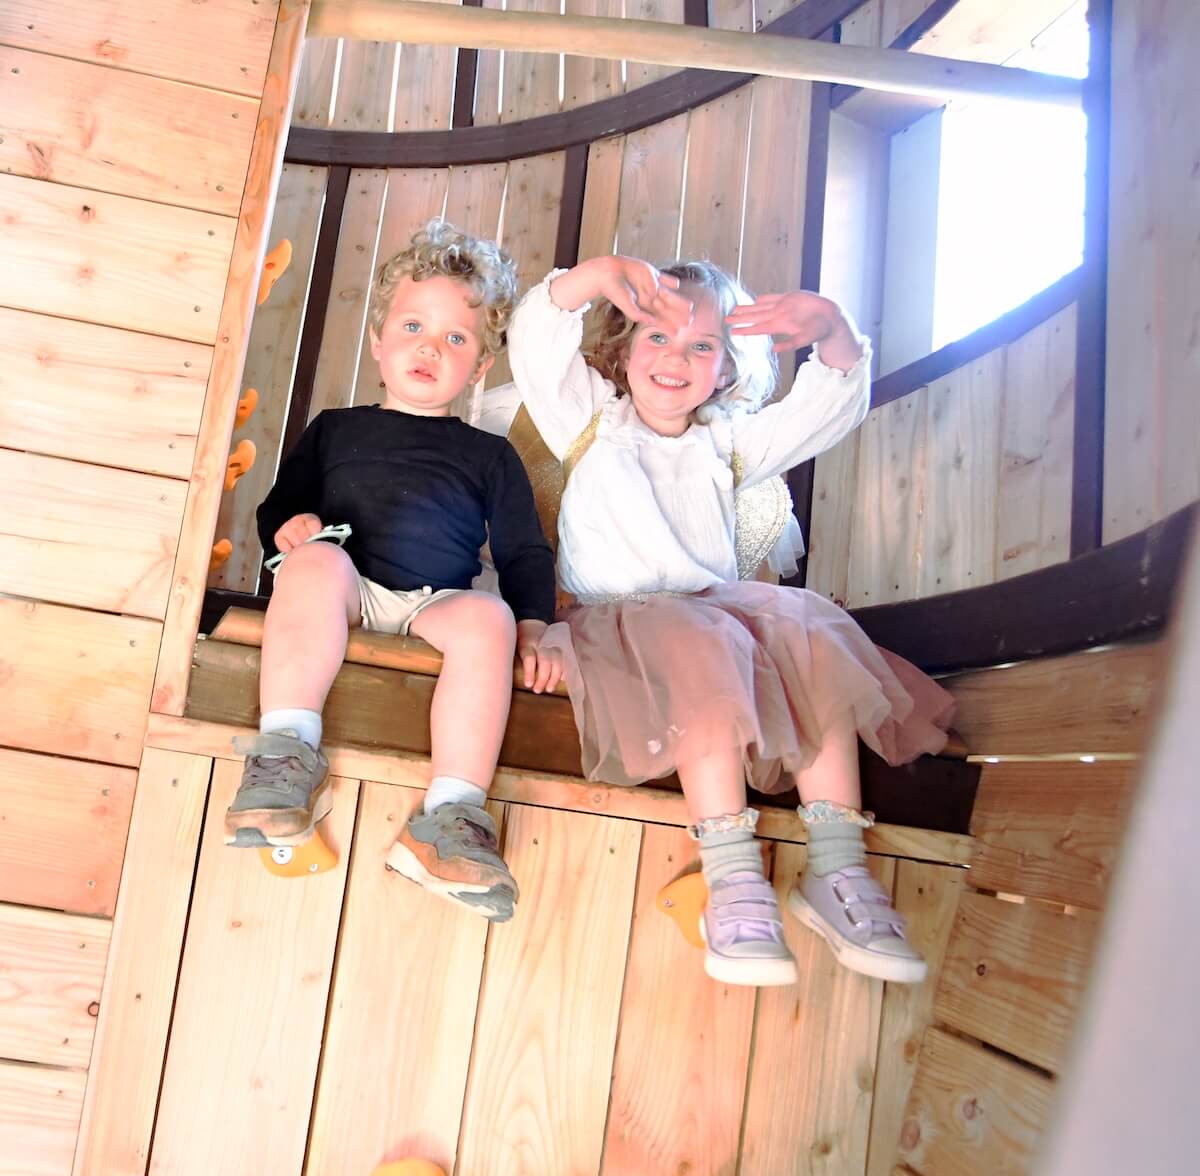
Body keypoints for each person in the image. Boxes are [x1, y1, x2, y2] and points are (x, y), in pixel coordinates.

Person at [507, 255, 955, 984]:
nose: (675, 358)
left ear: (725, 369)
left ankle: (838, 868)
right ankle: (733, 878)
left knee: (810, 631)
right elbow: (535, 336)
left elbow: (828, 410)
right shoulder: (588, 421)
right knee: (702, 641)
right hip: (619, 627)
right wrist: (596, 275)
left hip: (713, 616)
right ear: (622, 348)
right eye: (657, 336)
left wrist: (833, 330)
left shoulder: (727, 442)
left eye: (702, 346)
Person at [223, 220, 557, 924]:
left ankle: (451, 817)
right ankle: (284, 755)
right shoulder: (336, 428)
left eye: (456, 338)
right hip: (344, 587)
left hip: (434, 602)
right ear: (378, 341)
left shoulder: (489, 456)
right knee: (313, 562)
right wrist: (290, 527)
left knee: (490, 618)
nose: (430, 347)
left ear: (479, 368)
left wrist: (534, 625)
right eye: (412, 327)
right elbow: (281, 505)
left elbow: (524, 552)